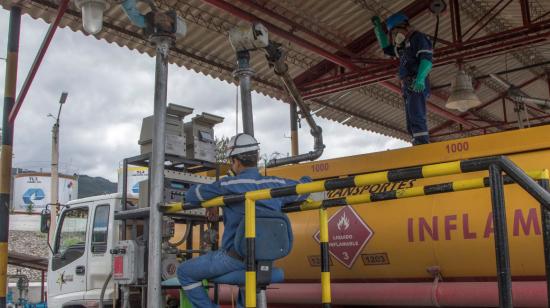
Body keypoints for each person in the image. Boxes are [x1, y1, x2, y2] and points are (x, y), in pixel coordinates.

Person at [177, 133, 310, 308]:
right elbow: (305, 187)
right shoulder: (277, 184)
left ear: (236, 161)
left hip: (233, 258)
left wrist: (211, 202)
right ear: (256, 158)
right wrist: (306, 180)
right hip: (265, 259)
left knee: (184, 272)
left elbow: (192, 194)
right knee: (245, 282)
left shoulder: (228, 185)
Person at [372, 12, 433, 145]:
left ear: (404, 27)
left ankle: (422, 143)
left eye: (395, 32)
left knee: (416, 115)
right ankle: (417, 142)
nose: (394, 37)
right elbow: (387, 49)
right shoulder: (403, 46)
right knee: (410, 121)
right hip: (408, 86)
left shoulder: (418, 38)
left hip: (417, 82)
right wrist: (377, 28)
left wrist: (421, 79)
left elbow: (427, 60)